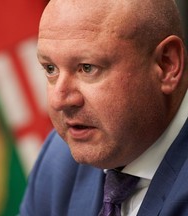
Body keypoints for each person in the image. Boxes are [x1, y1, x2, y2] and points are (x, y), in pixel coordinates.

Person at [20, 0, 188, 215]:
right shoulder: (59, 159)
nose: (58, 100)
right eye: (50, 68)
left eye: (87, 68)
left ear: (166, 65)